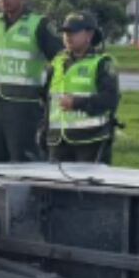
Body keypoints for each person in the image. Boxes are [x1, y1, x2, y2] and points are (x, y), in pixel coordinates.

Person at [0, 0, 62, 163]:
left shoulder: (38, 24)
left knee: (24, 161)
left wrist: (47, 92)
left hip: (24, 106)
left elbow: (60, 60)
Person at [42, 12, 122, 165]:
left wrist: (77, 102)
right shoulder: (57, 63)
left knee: (87, 189)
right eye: (65, 32)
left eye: (73, 32)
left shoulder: (102, 63)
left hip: (91, 141)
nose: (67, 36)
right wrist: (44, 130)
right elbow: (47, 100)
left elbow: (111, 99)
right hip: (58, 141)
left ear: (89, 35)